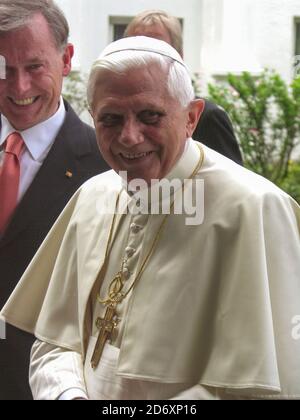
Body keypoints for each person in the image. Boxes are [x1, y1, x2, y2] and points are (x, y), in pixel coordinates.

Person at [1, 36, 300, 400]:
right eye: (110, 119)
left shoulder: (254, 208)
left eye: (150, 116)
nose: (129, 136)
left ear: (191, 117)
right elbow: (53, 343)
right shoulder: (92, 196)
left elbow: (267, 387)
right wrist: (66, 394)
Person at [0, 0, 108, 400]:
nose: (19, 87)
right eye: (4, 70)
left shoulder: (106, 167)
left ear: (66, 59)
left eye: (33, 67)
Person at [124, 10, 243, 165]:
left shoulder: (207, 117)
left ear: (178, 56)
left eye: (154, 49)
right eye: (135, 48)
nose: (143, 57)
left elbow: (230, 183)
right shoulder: (115, 117)